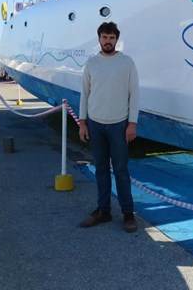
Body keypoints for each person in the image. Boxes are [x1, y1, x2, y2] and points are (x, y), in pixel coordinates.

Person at [78, 21, 139, 232]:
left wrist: (132, 123)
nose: (108, 41)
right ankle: (103, 210)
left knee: (121, 170)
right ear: (99, 39)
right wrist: (82, 123)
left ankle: (128, 213)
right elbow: (85, 94)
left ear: (116, 40)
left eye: (111, 37)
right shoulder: (91, 63)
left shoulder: (127, 63)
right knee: (101, 169)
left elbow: (134, 94)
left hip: (118, 125)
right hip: (95, 124)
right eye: (104, 37)